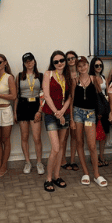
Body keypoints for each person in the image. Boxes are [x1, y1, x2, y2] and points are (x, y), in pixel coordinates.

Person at [70, 56, 107, 186]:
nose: (82, 68)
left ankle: (96, 174)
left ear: (87, 65)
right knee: (79, 142)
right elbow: (72, 100)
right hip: (77, 113)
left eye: (84, 65)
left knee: (92, 145)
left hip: (90, 114)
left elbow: (100, 97)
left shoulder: (94, 79)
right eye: (79, 66)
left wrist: (101, 113)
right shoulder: (75, 81)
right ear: (77, 68)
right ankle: (85, 172)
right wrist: (71, 119)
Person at [42, 50, 72, 191]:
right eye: (56, 61)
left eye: (61, 60)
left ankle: (57, 176)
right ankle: (48, 178)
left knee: (60, 148)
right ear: (52, 63)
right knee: (55, 147)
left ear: (65, 61)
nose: (59, 63)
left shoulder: (68, 76)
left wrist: (62, 112)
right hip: (51, 114)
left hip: (65, 114)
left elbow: (70, 97)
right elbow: (46, 96)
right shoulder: (48, 74)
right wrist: (57, 113)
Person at [15, 52, 45, 175]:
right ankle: (27, 162)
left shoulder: (41, 76)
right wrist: (15, 112)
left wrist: (40, 111)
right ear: (24, 63)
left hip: (36, 106)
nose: (29, 63)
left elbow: (43, 95)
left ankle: (39, 162)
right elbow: (16, 96)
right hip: (22, 106)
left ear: (34, 61)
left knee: (37, 137)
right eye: (26, 61)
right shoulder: (19, 76)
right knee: (24, 137)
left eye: (31, 60)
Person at [90, 57, 110, 167]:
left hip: (105, 107)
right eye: (96, 65)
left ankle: (101, 156)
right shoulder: (91, 78)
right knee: (93, 134)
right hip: (95, 108)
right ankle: (94, 157)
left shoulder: (103, 77)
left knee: (104, 133)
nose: (99, 67)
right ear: (92, 66)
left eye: (100, 65)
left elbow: (106, 92)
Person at [63, 50, 80, 171]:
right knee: (64, 136)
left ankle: (73, 160)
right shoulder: (64, 75)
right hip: (65, 107)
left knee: (74, 136)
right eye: (68, 59)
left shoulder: (81, 72)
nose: (71, 60)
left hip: (78, 107)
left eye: (73, 58)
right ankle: (63, 160)